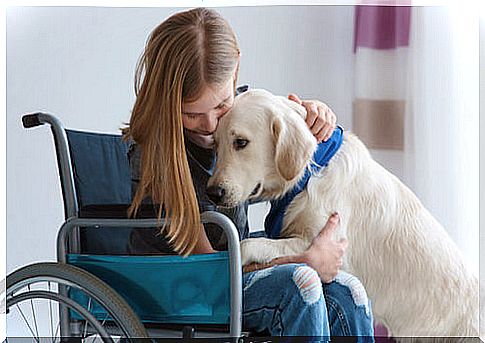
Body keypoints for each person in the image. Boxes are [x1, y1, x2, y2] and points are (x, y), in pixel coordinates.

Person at [123, 7, 374, 340]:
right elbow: (211, 269)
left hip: (231, 271)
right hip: (185, 288)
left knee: (347, 290)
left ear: (236, 69)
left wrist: (313, 114)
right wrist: (304, 259)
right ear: (168, 100)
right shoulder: (158, 155)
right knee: (301, 282)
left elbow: (281, 148)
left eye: (220, 105)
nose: (211, 125)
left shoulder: (239, 119)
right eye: (192, 114)